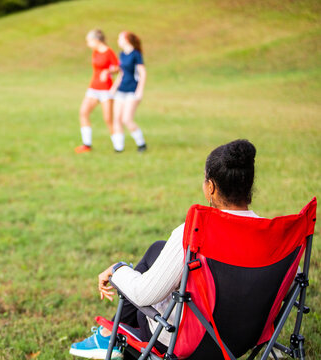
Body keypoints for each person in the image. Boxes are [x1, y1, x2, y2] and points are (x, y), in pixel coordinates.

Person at [70, 139, 259, 359]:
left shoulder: (192, 234)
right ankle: (111, 332)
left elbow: (143, 295)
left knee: (142, 303)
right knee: (157, 250)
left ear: (211, 187)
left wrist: (117, 268)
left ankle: (112, 334)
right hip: (245, 338)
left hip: (194, 340)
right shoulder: (274, 237)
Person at [75, 29, 119, 154]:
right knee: (83, 112)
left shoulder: (109, 52)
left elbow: (117, 67)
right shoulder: (95, 53)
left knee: (108, 119)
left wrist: (108, 71)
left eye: (89, 41)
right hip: (93, 88)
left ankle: (118, 146)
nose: (88, 44)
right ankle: (86, 144)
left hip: (106, 89)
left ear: (95, 40)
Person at [110, 32, 147, 153]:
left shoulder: (136, 54)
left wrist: (140, 90)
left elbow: (142, 73)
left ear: (126, 40)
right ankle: (118, 147)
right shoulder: (122, 54)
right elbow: (122, 73)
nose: (118, 40)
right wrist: (114, 87)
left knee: (127, 119)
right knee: (117, 118)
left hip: (132, 90)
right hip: (121, 90)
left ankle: (141, 143)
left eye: (120, 38)